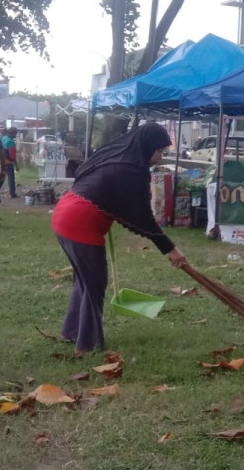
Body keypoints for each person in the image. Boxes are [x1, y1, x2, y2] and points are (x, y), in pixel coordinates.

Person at [50, 123, 186, 353]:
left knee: (84, 281)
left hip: (64, 213)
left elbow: (84, 173)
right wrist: (171, 249)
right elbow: (143, 217)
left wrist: (105, 201)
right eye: (159, 152)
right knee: (94, 284)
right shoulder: (132, 170)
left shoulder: (116, 153)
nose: (159, 158)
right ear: (148, 147)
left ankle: (72, 332)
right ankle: (88, 345)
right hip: (80, 222)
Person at [1, 126, 21, 198]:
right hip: (8, 162)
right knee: (11, 178)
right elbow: (12, 156)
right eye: (15, 133)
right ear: (13, 133)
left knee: (2, 177)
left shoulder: (3, 139)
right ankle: (12, 193)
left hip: (2, 161)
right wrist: (16, 165)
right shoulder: (11, 142)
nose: (15, 135)